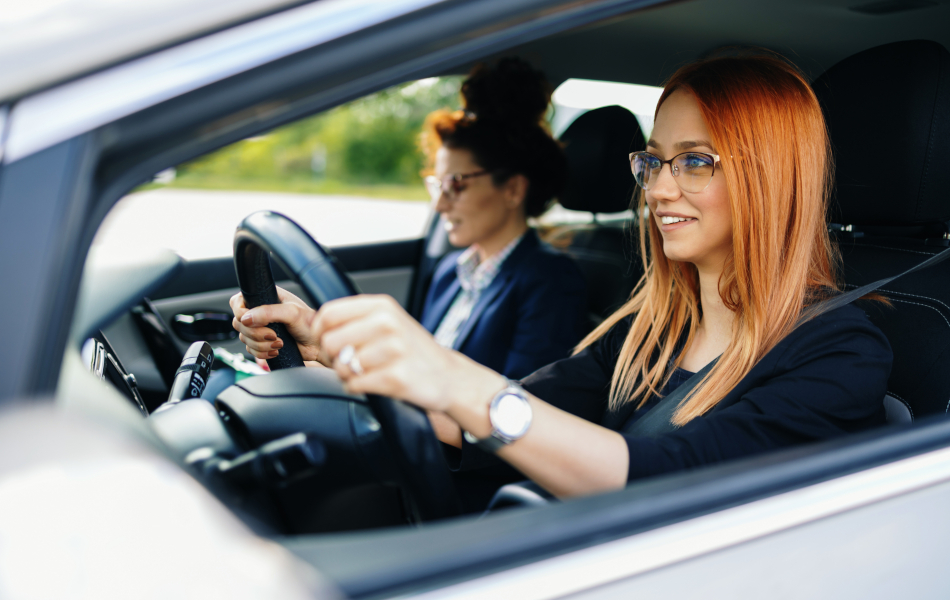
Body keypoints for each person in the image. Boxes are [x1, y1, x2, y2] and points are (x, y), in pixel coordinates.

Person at [231, 53, 892, 504]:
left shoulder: (842, 352)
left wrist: (453, 374)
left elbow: (668, 481)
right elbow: (481, 421)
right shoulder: (647, 329)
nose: (658, 189)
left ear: (768, 176)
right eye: (654, 161)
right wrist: (330, 347)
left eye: (694, 162)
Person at [418, 58, 587, 379]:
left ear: (512, 190)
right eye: (438, 185)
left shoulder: (551, 283)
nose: (440, 205)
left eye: (456, 183)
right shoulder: (449, 273)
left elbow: (525, 408)